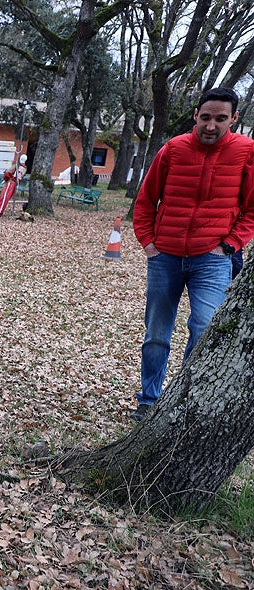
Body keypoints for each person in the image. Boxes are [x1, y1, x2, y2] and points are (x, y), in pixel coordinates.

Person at [130, 86, 254, 421]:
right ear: (195, 116)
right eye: (205, 117)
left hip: (212, 259)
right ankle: (149, 400)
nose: (211, 126)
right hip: (165, 257)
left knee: (203, 329)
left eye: (220, 119)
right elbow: (144, 203)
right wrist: (150, 245)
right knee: (156, 333)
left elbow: (252, 209)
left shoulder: (246, 151)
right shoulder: (173, 149)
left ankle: (179, 402)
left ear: (234, 118)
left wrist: (227, 245)